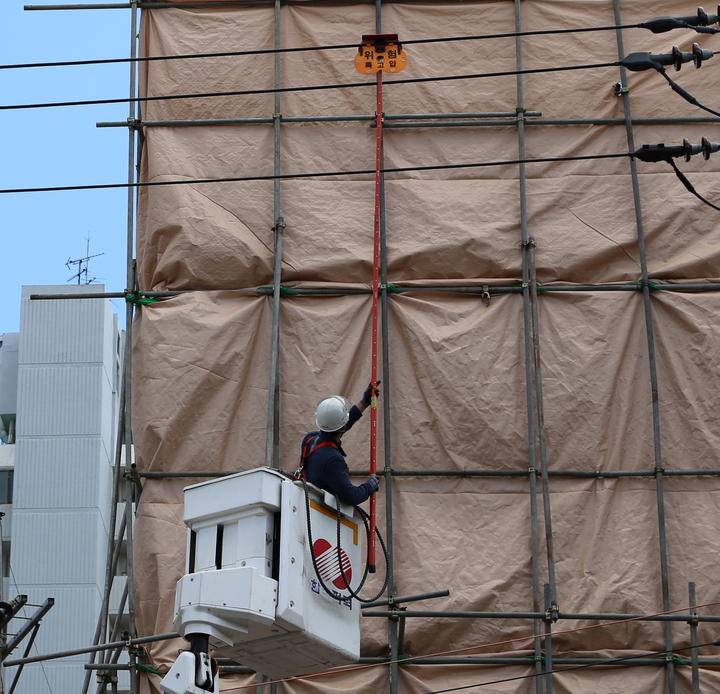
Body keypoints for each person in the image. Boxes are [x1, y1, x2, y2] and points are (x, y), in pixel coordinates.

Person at [297, 383, 380, 506]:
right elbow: (351, 496)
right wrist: (369, 486)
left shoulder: (310, 439)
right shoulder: (332, 459)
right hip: (322, 515)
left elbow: (338, 427)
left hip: (307, 505)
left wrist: (364, 403)